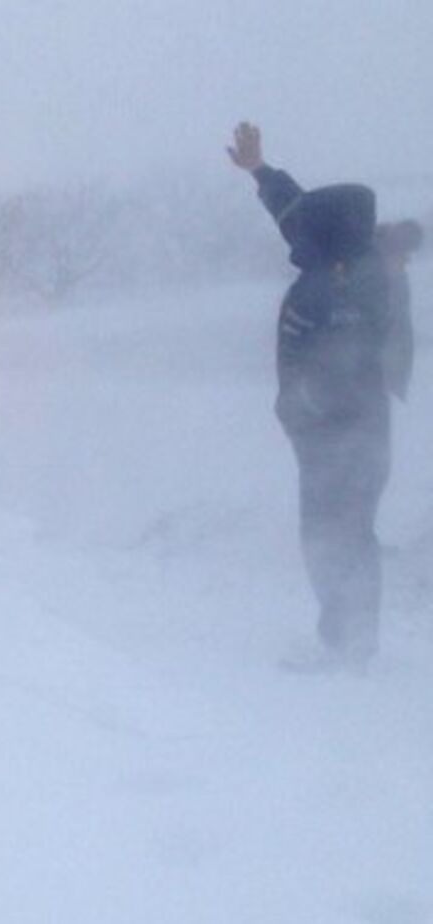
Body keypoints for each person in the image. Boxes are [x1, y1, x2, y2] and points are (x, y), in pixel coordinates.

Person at [228, 122, 395, 672]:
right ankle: (349, 639)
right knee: (341, 536)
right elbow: (294, 213)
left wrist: (306, 412)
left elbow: (338, 372)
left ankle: (349, 646)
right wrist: (259, 171)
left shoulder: (347, 287)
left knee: (337, 537)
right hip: (336, 437)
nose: (297, 233)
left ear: (330, 234)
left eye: (310, 227)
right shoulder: (345, 265)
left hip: (341, 438)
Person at [376, 219, 422, 402]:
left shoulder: (398, 281)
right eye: (401, 255)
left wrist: (399, 383)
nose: (403, 261)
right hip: (366, 377)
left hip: (386, 376)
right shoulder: (363, 276)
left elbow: (402, 332)